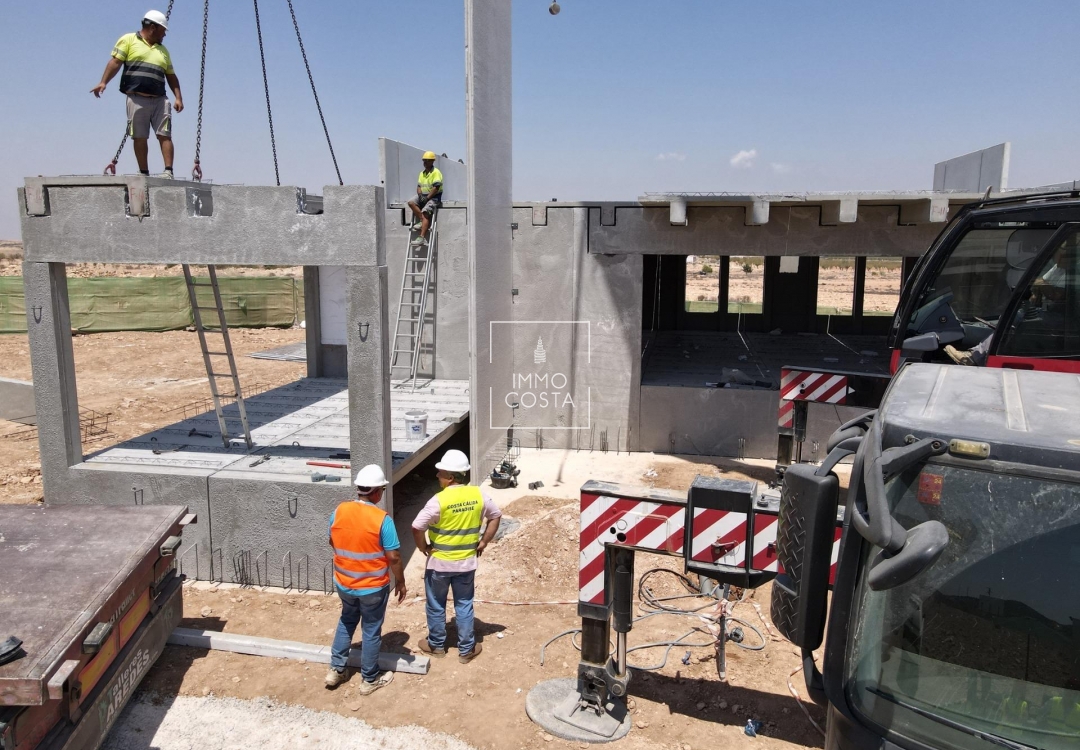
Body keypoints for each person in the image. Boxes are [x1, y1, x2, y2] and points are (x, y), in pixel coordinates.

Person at [412, 449, 501, 663]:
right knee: (463, 604)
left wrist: (423, 546)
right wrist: (484, 541)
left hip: (439, 565)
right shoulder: (478, 495)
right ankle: (466, 649)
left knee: (435, 604)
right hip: (466, 564)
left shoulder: (438, 500)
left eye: (440, 472)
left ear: (450, 477)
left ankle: (436, 645)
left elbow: (416, 526)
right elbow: (495, 515)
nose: (437, 476)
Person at [325, 464, 407, 695]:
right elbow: (393, 556)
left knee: (346, 621)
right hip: (372, 587)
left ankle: (336, 669)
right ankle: (369, 679)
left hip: (345, 583)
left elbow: (332, 540)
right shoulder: (381, 519)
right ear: (377, 492)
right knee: (371, 630)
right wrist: (400, 581)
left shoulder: (339, 510)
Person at [91, 10, 183, 178]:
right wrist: (103, 82)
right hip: (137, 98)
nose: (165, 35)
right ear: (153, 28)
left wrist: (178, 97)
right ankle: (143, 172)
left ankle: (168, 171)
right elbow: (115, 62)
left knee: (165, 134)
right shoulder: (129, 40)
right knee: (139, 136)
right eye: (163, 30)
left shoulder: (163, 51)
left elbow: (171, 76)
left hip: (160, 100)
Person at [407, 152, 443, 247]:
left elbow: (436, 188)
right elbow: (419, 186)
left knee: (426, 211)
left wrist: (427, 198)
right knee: (411, 202)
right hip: (423, 195)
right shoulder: (422, 173)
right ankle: (422, 220)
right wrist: (420, 196)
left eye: (427, 160)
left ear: (432, 161)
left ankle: (422, 237)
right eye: (424, 160)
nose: (425, 162)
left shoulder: (436, 172)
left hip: (434, 197)